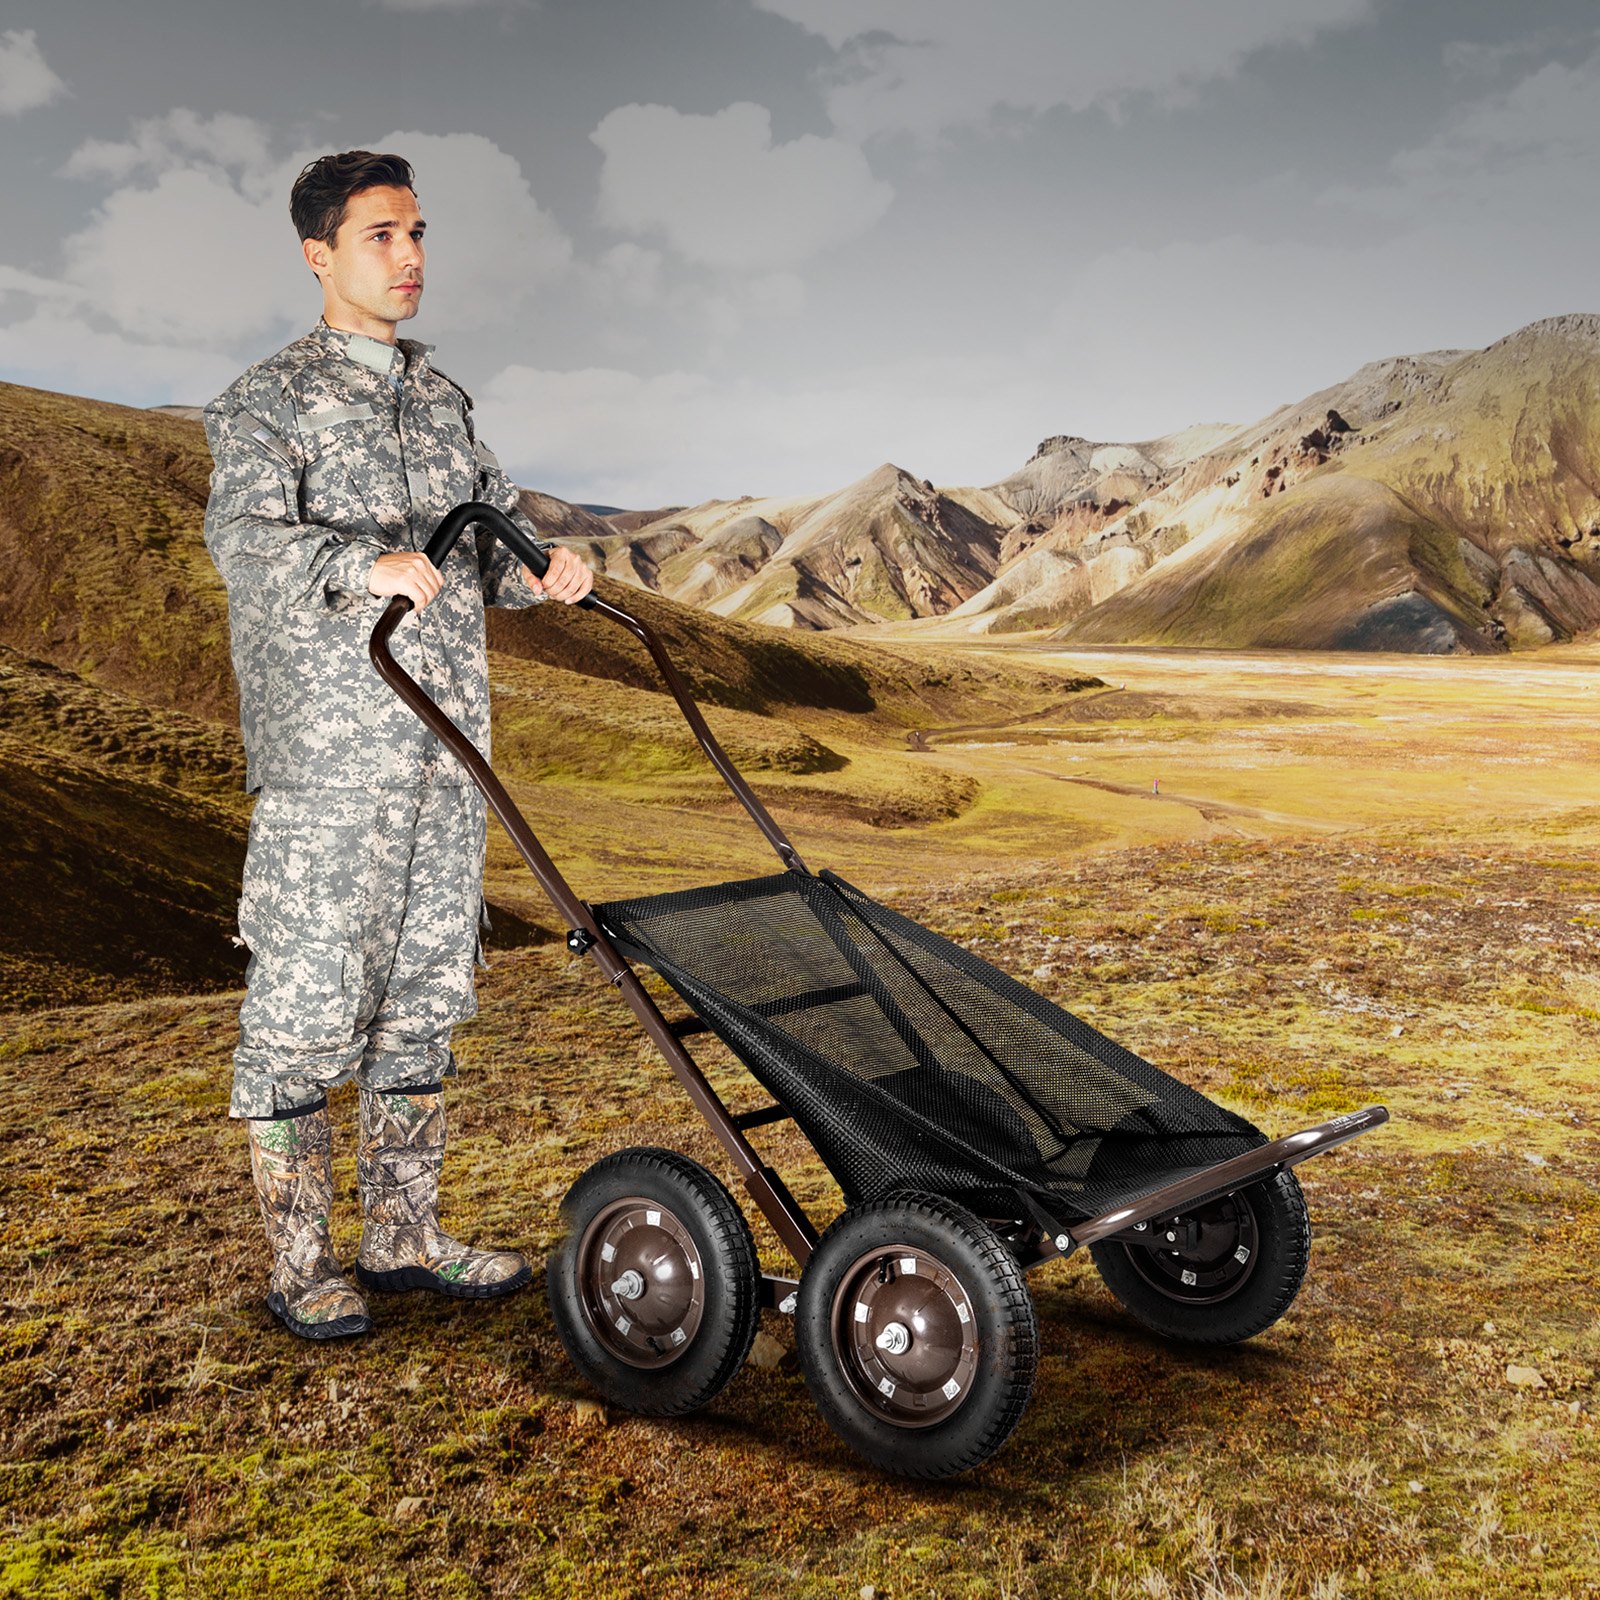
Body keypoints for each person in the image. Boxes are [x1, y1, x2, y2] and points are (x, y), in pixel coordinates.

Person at [202, 150, 593, 1341]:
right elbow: (246, 545)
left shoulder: (441, 399)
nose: (410, 255)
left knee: (424, 1001)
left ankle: (406, 1237)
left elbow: (489, 540)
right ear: (318, 254)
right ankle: (301, 1264)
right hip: (334, 769)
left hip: (445, 755)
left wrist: (546, 569)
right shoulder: (267, 400)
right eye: (382, 235)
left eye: (417, 232)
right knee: (306, 1012)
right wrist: (356, 563)